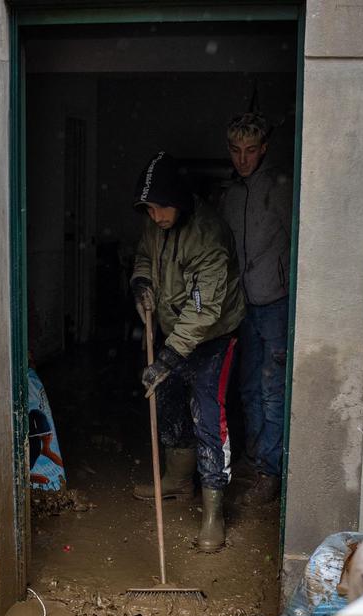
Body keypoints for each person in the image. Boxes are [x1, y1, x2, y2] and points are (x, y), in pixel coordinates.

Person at [130, 151, 246, 552]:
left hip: (212, 337)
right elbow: (145, 256)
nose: (156, 216)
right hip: (173, 330)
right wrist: (141, 282)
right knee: (170, 402)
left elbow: (205, 310)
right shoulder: (156, 225)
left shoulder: (208, 235)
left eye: (160, 207)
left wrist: (167, 358)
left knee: (208, 417)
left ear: (178, 200)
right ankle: (178, 481)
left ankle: (215, 510)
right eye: (149, 209)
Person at [217, 112, 293, 506]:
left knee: (271, 389)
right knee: (246, 387)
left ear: (263, 149)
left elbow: (298, 242)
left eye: (250, 151)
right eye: (235, 151)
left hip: (275, 302)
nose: (242, 159)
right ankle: (252, 458)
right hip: (241, 305)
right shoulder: (231, 193)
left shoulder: (279, 188)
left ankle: (270, 471)